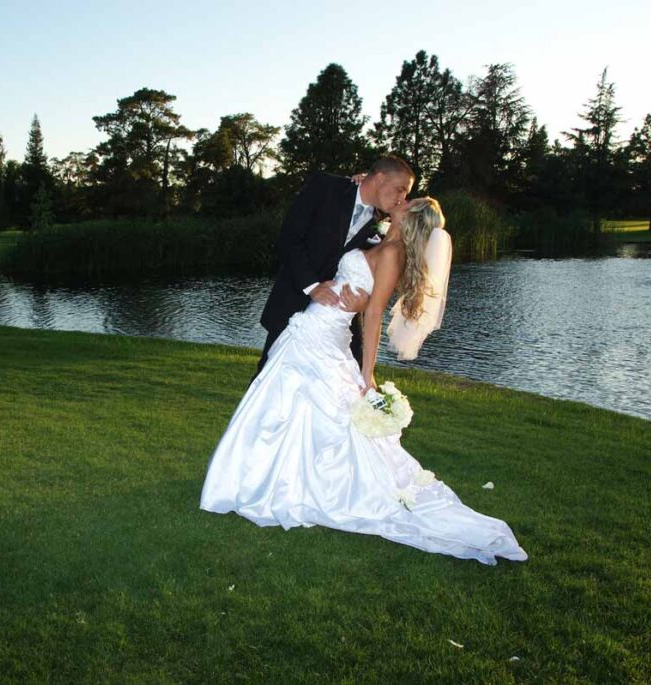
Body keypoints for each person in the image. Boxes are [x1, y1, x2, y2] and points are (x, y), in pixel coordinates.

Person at [200, 195, 528, 566]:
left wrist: (366, 373)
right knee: (286, 405)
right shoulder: (380, 240)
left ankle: (280, 485)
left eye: (408, 202)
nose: (400, 201)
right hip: (314, 325)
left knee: (304, 408)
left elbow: (373, 316)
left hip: (323, 333)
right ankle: (272, 480)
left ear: (412, 218)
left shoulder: (392, 255)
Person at [256, 157, 415, 377]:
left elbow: (375, 273)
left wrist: (366, 301)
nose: (402, 198)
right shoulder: (325, 187)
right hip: (293, 303)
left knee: (348, 385)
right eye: (400, 190)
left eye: (405, 193)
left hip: (340, 320)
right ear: (380, 178)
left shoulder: (380, 224)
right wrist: (312, 286)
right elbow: (289, 238)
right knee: (270, 376)